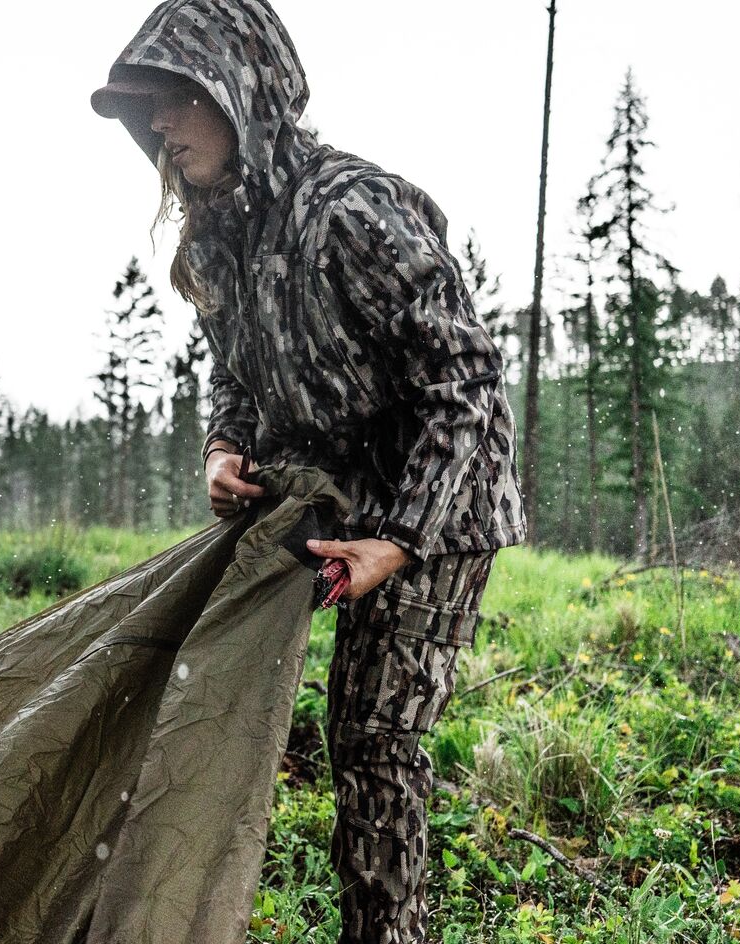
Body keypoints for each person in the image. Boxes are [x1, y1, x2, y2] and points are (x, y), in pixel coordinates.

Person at [91, 2, 525, 940]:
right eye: (148, 108)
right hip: (327, 494)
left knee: (375, 738)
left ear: (242, 93)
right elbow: (234, 369)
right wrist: (221, 447)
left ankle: (386, 931)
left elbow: (467, 382)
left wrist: (403, 540)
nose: (160, 125)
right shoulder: (215, 236)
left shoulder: (349, 211)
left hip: (436, 502)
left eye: (177, 99)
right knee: (217, 689)